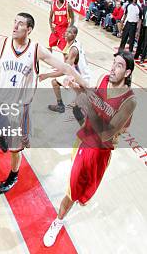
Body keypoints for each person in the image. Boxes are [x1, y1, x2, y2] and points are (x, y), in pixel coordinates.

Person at [0, 13, 84, 194]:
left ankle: (13, 175)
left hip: (19, 107)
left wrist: (86, 86)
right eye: (14, 22)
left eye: (20, 24)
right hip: (0, 100)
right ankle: (2, 135)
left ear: (29, 29)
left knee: (15, 149)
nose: (15, 26)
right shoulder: (4, 42)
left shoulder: (36, 50)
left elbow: (65, 67)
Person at [43, 52, 136, 247]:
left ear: (127, 72)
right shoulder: (103, 79)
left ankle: (80, 195)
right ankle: (58, 221)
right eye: (113, 63)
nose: (112, 67)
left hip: (103, 150)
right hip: (86, 143)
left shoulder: (129, 101)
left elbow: (106, 135)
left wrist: (89, 107)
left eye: (118, 65)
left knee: (88, 189)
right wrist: (75, 88)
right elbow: (90, 98)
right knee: (72, 189)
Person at [40, 26, 91, 113]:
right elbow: (67, 64)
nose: (66, 33)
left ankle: (79, 100)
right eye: (66, 31)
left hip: (81, 79)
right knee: (57, 80)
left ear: (74, 35)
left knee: (54, 82)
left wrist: (46, 75)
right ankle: (79, 100)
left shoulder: (73, 50)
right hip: (82, 75)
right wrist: (59, 66)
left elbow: (65, 70)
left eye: (69, 32)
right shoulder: (74, 43)